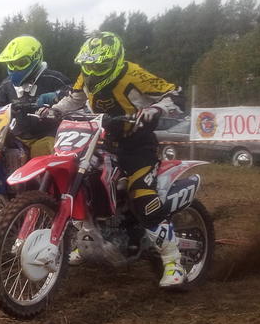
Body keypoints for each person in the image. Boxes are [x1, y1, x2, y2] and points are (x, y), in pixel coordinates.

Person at [46, 31, 186, 287]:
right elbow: (74, 99)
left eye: (98, 66)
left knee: (142, 195)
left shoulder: (133, 73)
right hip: (103, 142)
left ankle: (172, 261)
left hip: (138, 146)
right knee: (84, 184)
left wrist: (155, 109)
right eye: (87, 65)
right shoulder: (86, 75)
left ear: (115, 61)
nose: (92, 71)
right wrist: (54, 110)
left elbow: (175, 94)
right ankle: (89, 239)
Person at [0, 35, 72, 158]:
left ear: (36, 58)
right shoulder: (7, 84)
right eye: (11, 64)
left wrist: (55, 96)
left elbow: (73, 94)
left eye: (21, 63)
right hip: (18, 135)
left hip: (49, 135)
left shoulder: (54, 78)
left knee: (41, 150)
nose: (15, 68)